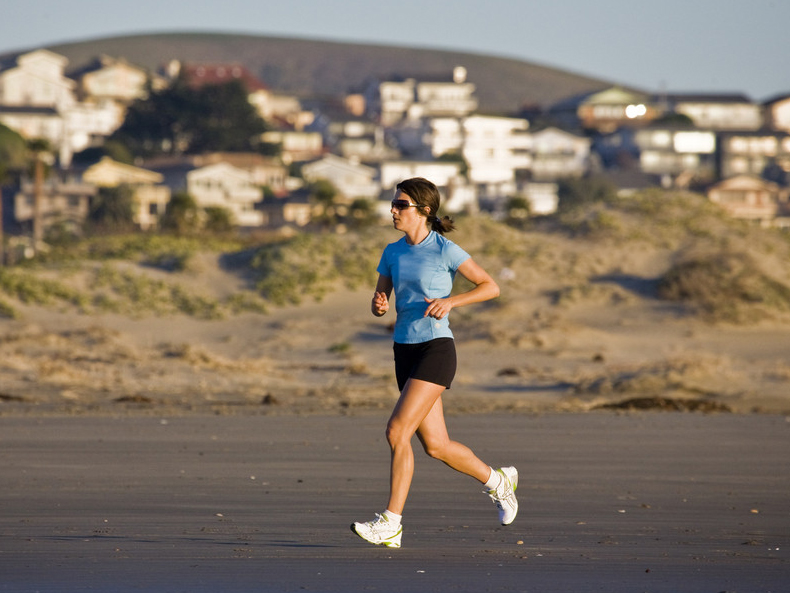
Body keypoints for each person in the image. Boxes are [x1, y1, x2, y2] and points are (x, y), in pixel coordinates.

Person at [351, 177, 518, 549]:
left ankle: (391, 523)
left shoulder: (445, 249)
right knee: (437, 446)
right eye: (393, 204)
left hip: (436, 349)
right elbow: (381, 298)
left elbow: (491, 286)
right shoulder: (391, 253)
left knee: (397, 432)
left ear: (424, 211)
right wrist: (379, 304)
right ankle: (497, 481)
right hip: (404, 349)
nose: (393, 210)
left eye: (401, 205)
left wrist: (452, 302)